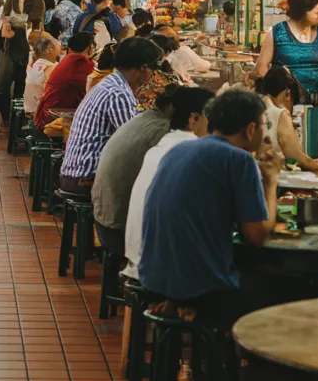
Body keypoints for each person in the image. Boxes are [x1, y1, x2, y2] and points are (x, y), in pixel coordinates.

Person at [137, 89, 285, 323]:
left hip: (154, 279)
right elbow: (256, 235)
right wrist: (272, 182)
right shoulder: (240, 159)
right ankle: (240, 357)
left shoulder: (178, 150)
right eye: (262, 125)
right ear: (250, 129)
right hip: (201, 287)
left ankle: (214, 352)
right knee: (289, 292)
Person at [124, 87, 215, 276]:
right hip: (160, 269)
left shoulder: (163, 145)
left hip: (137, 259)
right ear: (194, 119)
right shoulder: (191, 151)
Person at [91, 84, 187, 258]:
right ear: (173, 108)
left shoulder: (143, 119)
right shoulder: (163, 132)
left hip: (103, 222)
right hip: (120, 232)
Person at [58, 37, 160, 192]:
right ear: (143, 68)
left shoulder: (113, 83)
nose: (154, 74)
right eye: (154, 68)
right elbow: (135, 142)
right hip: (84, 179)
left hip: (76, 174)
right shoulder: (117, 93)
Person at [0, 0, 45, 134]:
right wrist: (6, 23)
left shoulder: (38, 1)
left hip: (28, 48)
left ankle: (19, 122)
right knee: (2, 83)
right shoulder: (11, 0)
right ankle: (3, 119)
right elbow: (3, 19)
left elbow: (33, 21)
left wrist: (10, 22)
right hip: (9, 46)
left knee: (22, 84)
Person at [258, 67, 318, 174]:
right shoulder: (280, 113)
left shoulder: (256, 104)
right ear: (287, 94)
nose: (291, 110)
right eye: (293, 103)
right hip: (270, 179)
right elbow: (300, 161)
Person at [34, 31, 96, 128]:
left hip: (48, 111)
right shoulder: (80, 62)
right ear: (90, 48)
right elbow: (95, 83)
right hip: (51, 116)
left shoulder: (70, 59)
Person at [23, 33, 60, 116]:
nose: (60, 46)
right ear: (49, 50)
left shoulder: (34, 65)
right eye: (57, 45)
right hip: (41, 113)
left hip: (29, 109)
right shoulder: (51, 68)